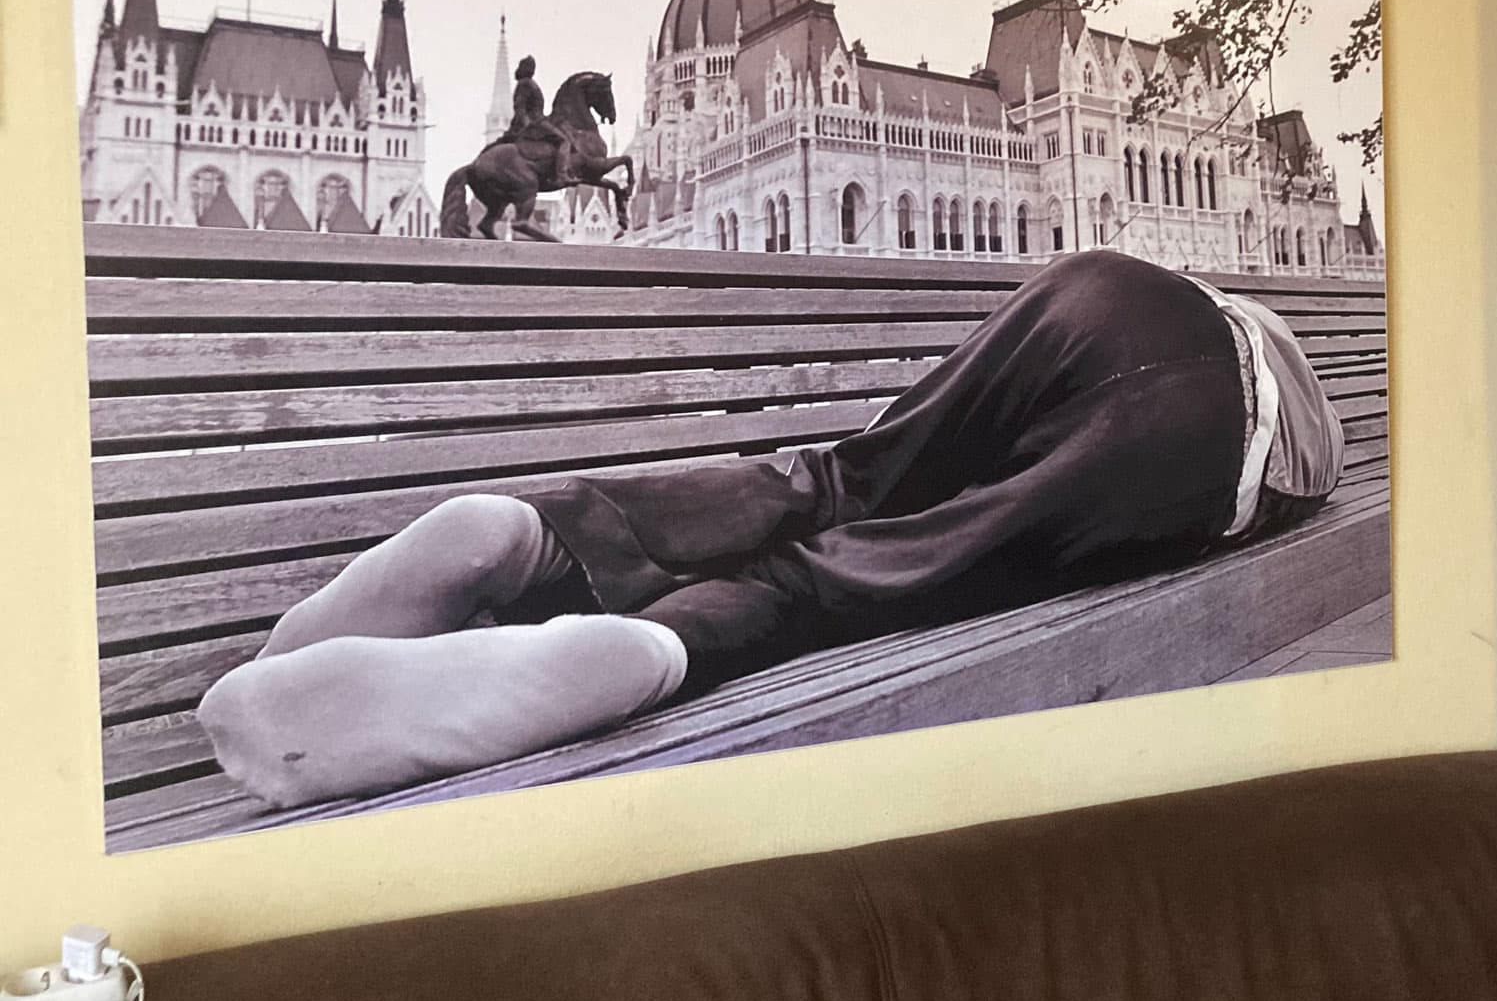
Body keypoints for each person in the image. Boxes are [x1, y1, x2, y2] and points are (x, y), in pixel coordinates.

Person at [198, 250, 1344, 806]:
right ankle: (662, 649)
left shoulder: (1186, 305)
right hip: (1205, 436)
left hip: (1100, 292)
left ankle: (548, 532)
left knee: (836, 483)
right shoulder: (1304, 427)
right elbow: (1310, 471)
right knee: (855, 579)